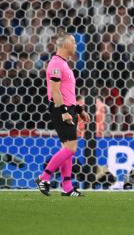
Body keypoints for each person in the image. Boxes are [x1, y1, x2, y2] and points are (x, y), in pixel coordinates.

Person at [35, 32, 90, 197]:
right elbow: (55, 91)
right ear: (65, 44)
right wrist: (64, 112)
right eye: (73, 42)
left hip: (68, 108)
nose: (75, 45)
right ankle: (43, 177)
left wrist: (79, 110)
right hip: (61, 109)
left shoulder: (64, 65)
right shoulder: (56, 64)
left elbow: (68, 92)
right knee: (71, 148)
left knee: (67, 148)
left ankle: (67, 187)